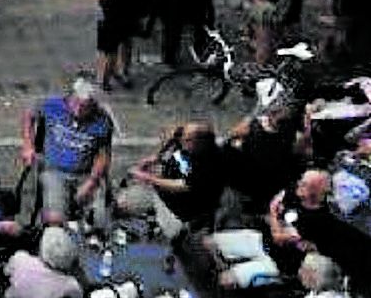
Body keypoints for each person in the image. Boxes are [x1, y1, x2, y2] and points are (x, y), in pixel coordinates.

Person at [206, 170, 341, 288]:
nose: (299, 184)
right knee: (209, 242)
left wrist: (275, 216)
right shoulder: (294, 193)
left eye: (305, 184)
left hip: (280, 263)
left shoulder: (320, 220)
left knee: (226, 280)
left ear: (317, 192)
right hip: (262, 240)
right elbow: (273, 206)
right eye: (301, 180)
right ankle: (224, 264)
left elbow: (279, 237)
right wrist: (276, 219)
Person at [21, 78, 114, 226]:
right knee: (54, 219)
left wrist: (91, 181)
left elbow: (103, 155)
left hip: (85, 173)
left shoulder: (102, 121)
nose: (77, 110)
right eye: (75, 103)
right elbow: (29, 114)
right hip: (54, 171)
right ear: (70, 97)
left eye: (84, 107)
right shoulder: (53, 105)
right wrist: (28, 145)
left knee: (100, 220)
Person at [116, 121, 222, 240]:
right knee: (122, 203)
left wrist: (148, 178)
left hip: (179, 205)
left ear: (200, 143)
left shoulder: (208, 164)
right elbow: (172, 137)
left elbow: (182, 185)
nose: (181, 140)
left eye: (187, 139)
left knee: (172, 234)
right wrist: (158, 156)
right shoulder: (185, 142)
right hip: (164, 185)